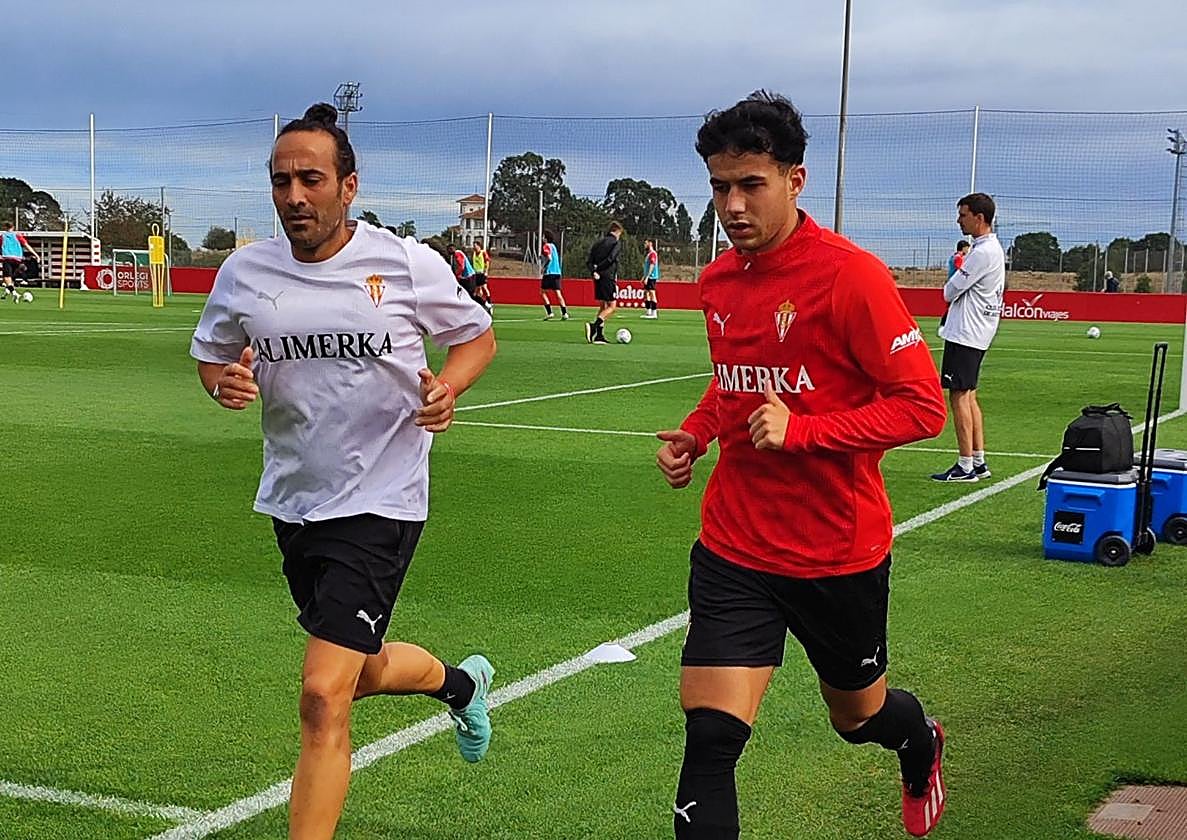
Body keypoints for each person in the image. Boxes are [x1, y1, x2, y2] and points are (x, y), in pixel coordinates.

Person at [190, 103, 498, 840]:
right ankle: (460, 684)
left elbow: (477, 337)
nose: (294, 195)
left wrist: (448, 387)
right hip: (295, 499)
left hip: (383, 499)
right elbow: (211, 356)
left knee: (322, 696)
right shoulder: (245, 272)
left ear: (348, 186)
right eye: (281, 181)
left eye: (311, 179)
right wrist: (222, 384)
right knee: (356, 673)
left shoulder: (404, 264)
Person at [655, 91, 949, 839]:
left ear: (795, 180)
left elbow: (922, 407)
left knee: (859, 718)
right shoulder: (718, 282)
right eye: (719, 186)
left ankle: (919, 741)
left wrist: (806, 431)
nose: (732, 205)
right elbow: (735, 384)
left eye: (750, 184)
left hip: (836, 552)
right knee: (710, 736)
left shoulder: (852, 277)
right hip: (735, 544)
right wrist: (698, 433)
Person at [930, 192, 1005, 483]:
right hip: (977, 330)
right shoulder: (991, 249)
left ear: (979, 217)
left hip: (967, 332)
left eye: (963, 215)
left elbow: (949, 291)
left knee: (959, 395)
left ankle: (965, 465)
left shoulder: (982, 252)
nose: (959, 221)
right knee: (969, 394)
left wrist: (954, 281)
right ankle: (978, 460)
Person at [585, 221, 623, 344]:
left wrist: (594, 271)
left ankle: (599, 335)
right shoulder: (615, 243)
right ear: (617, 231)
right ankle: (594, 326)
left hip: (597, 277)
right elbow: (611, 258)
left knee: (603, 306)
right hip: (608, 276)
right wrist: (599, 268)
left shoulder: (598, 243)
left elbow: (589, 261)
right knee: (612, 306)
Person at [1, 222, 38, 302]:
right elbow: (27, 245)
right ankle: (7, 292)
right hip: (18, 260)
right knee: (11, 278)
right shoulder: (18, 236)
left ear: (5, 227)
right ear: (13, 227)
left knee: (7, 278)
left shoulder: (2, 236)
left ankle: (15, 294)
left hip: (8, 258)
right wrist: (36, 255)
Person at [540, 229, 569, 320]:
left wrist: (544, 267)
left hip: (549, 272)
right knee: (558, 293)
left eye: (543, 236)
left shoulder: (546, 246)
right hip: (557, 272)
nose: (542, 238)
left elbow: (549, 258)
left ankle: (550, 312)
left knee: (542, 292)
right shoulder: (554, 246)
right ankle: (564, 313)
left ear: (546, 238)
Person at [470, 240, 494, 310]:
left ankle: (489, 303)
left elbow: (487, 262)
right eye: (473, 246)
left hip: (482, 273)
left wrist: (486, 271)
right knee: (478, 290)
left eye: (475, 246)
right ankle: (482, 304)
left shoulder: (483, 252)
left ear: (479, 246)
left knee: (484, 288)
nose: (474, 247)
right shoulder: (474, 253)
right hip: (476, 273)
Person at [641, 238, 660, 319]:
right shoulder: (648, 254)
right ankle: (648, 311)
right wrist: (644, 276)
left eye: (646, 243)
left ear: (650, 243)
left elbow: (652, 265)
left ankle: (654, 313)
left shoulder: (653, 254)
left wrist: (647, 277)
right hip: (648, 276)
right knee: (646, 293)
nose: (644, 245)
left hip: (651, 277)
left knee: (652, 293)